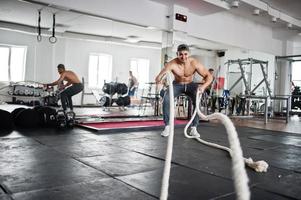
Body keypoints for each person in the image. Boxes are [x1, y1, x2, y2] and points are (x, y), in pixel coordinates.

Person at [155, 44, 213, 137]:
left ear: (189, 54)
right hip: (177, 85)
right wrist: (159, 83)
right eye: (180, 54)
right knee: (166, 99)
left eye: (185, 54)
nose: (183, 57)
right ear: (177, 54)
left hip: (191, 85)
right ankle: (167, 127)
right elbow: (158, 77)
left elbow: (209, 76)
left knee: (197, 101)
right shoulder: (172, 64)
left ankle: (194, 128)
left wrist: (203, 86)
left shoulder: (194, 63)